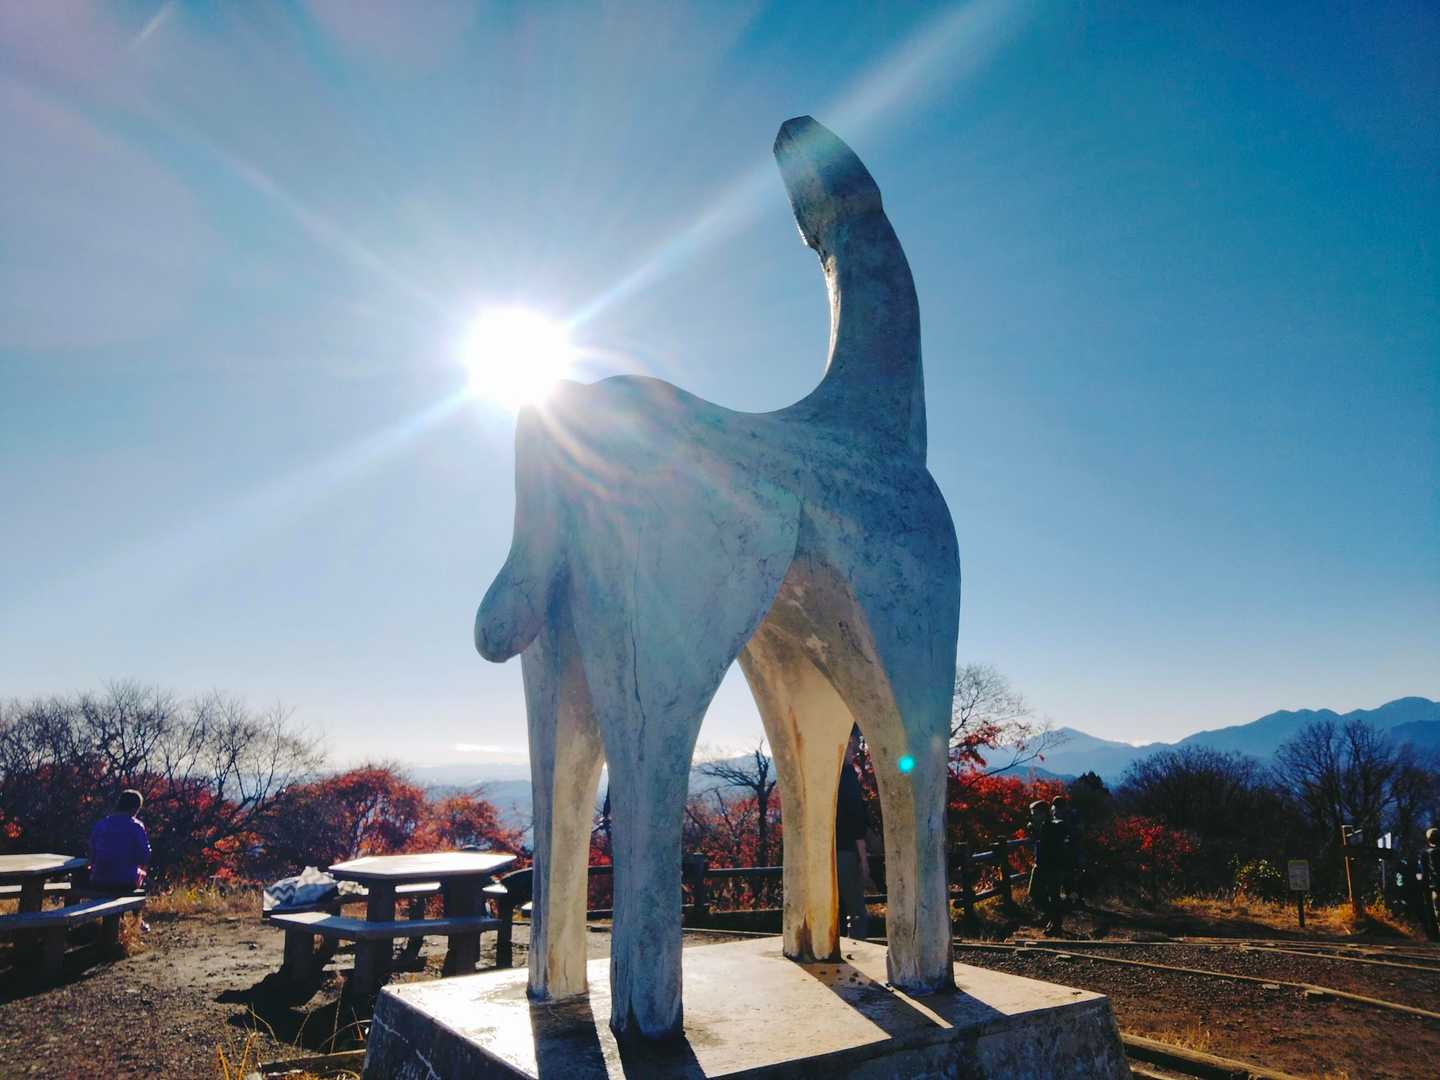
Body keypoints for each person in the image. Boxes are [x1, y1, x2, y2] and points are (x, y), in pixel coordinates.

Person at [835, 727, 873, 940]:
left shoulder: (830, 774)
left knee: (835, 907)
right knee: (857, 911)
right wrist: (864, 859)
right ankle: (857, 948)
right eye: (856, 741)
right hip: (846, 851)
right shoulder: (848, 775)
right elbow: (856, 821)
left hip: (828, 850)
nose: (858, 747)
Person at [88, 789, 151, 894]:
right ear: (135, 808)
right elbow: (145, 856)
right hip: (125, 882)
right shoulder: (136, 826)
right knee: (143, 875)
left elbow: (92, 852)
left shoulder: (101, 824)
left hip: (99, 881)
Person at [1028, 799, 1065, 935]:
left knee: (1053, 896)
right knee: (1035, 892)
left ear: (1043, 813)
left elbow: (1046, 841)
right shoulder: (1042, 826)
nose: (1033, 817)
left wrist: (1034, 829)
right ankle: (1052, 918)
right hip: (1041, 864)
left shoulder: (1052, 826)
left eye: (1035, 814)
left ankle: (1055, 924)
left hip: (1052, 865)